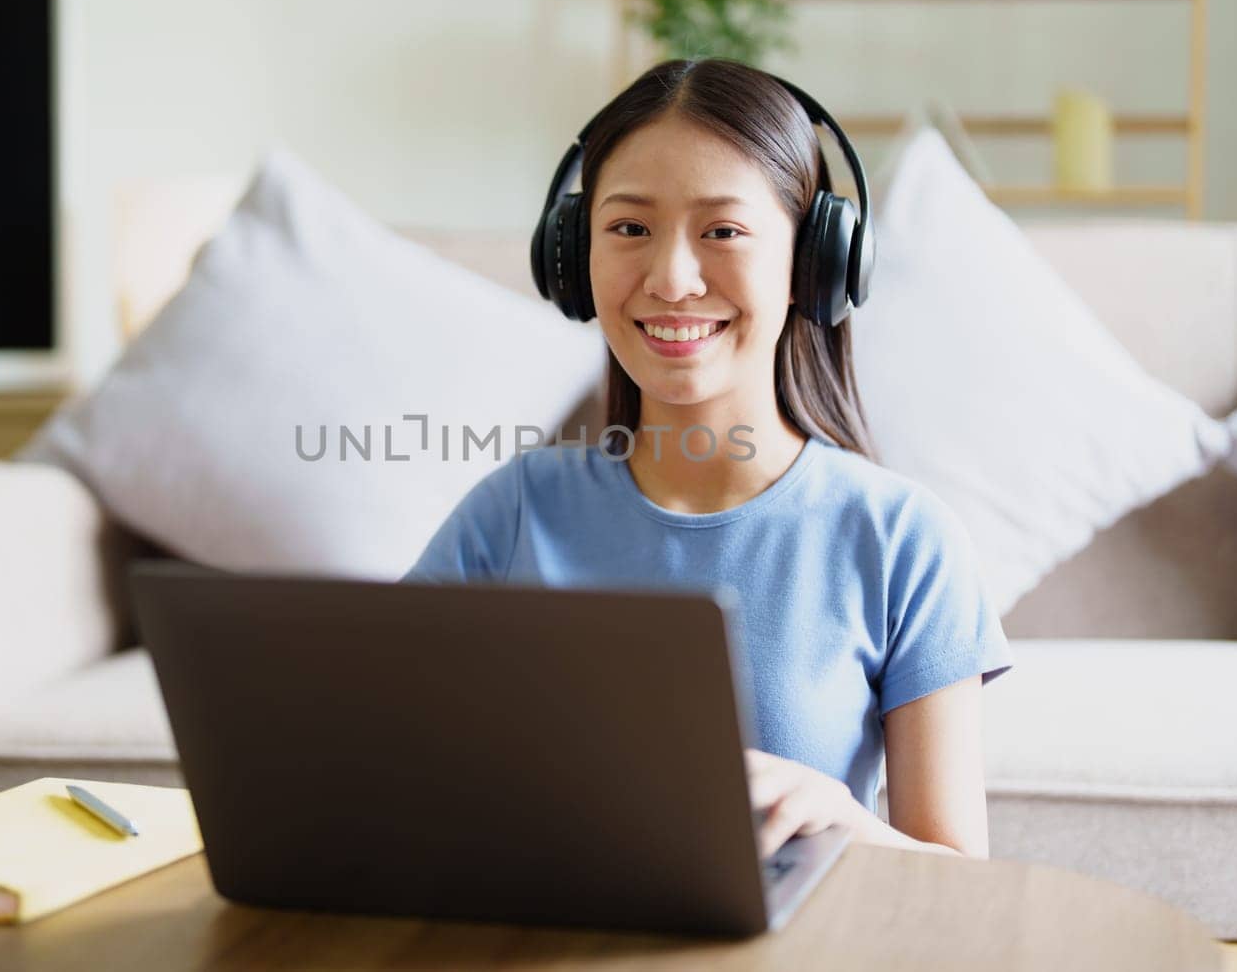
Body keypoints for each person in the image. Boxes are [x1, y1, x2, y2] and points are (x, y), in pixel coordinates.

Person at [401, 58, 1012, 859]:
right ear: (573, 258)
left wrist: (841, 820)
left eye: (722, 231)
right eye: (629, 229)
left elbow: (961, 889)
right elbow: (382, 771)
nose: (671, 278)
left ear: (812, 263)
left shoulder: (903, 541)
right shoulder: (511, 513)